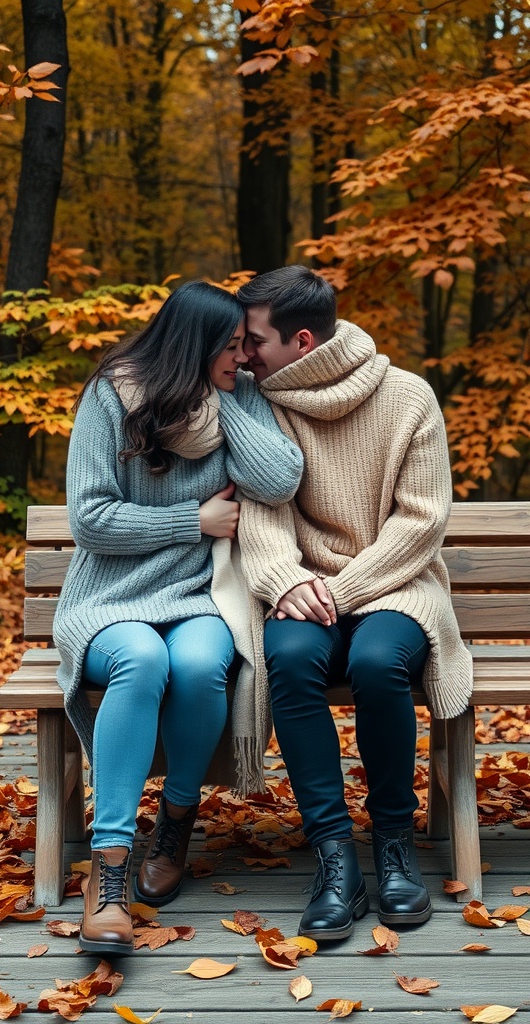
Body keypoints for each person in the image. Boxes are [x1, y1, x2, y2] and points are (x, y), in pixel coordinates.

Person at [53, 281, 303, 957]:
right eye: (230, 347)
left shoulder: (234, 396)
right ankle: (109, 872)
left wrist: (223, 391)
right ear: (193, 344)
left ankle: (176, 820)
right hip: (111, 599)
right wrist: (191, 519)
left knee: (196, 665)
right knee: (144, 660)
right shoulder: (112, 395)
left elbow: (279, 479)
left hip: (200, 598)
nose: (245, 358)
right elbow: (92, 518)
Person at [236, 265, 473, 941]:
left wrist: (339, 592)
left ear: (301, 341)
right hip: (302, 593)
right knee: (287, 655)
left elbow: (421, 522)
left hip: (394, 587)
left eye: (255, 340)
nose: (244, 352)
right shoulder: (259, 401)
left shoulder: (408, 398)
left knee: (376, 662)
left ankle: (394, 845)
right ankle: (335, 855)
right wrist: (284, 580)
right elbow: (263, 512)